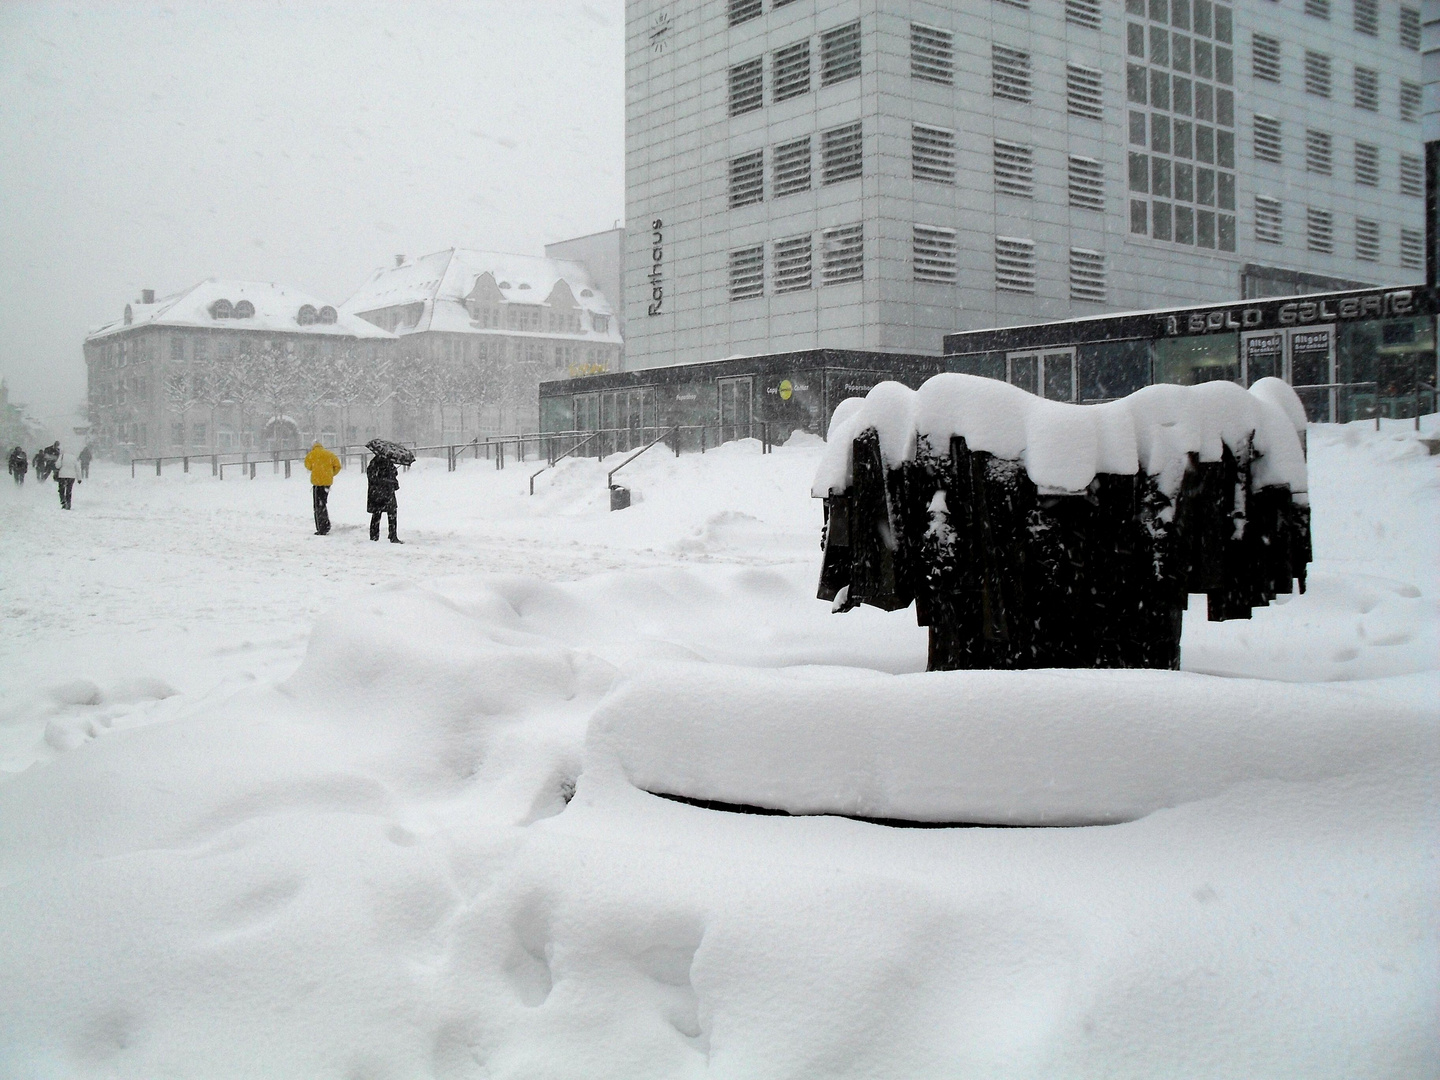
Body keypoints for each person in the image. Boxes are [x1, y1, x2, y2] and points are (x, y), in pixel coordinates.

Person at [303, 441, 342, 535]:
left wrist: (316, 469)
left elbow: (308, 466)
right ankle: (325, 525)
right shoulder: (330, 454)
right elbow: (338, 466)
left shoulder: (311, 455)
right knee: (323, 503)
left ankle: (322, 527)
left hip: (317, 483)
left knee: (317, 506)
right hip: (327, 483)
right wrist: (330, 474)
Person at [366, 452, 402, 543]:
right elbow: (393, 479)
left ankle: (374, 536)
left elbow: (371, 476)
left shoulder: (374, 463)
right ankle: (393, 535)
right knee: (392, 514)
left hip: (376, 493)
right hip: (387, 493)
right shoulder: (388, 463)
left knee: (376, 514)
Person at [52, 443, 80, 509]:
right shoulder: (74, 458)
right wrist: (79, 478)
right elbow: (77, 468)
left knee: (61, 490)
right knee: (69, 490)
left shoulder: (62, 456)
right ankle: (68, 503)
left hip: (62, 476)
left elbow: (57, 466)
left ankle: (63, 502)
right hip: (71, 476)